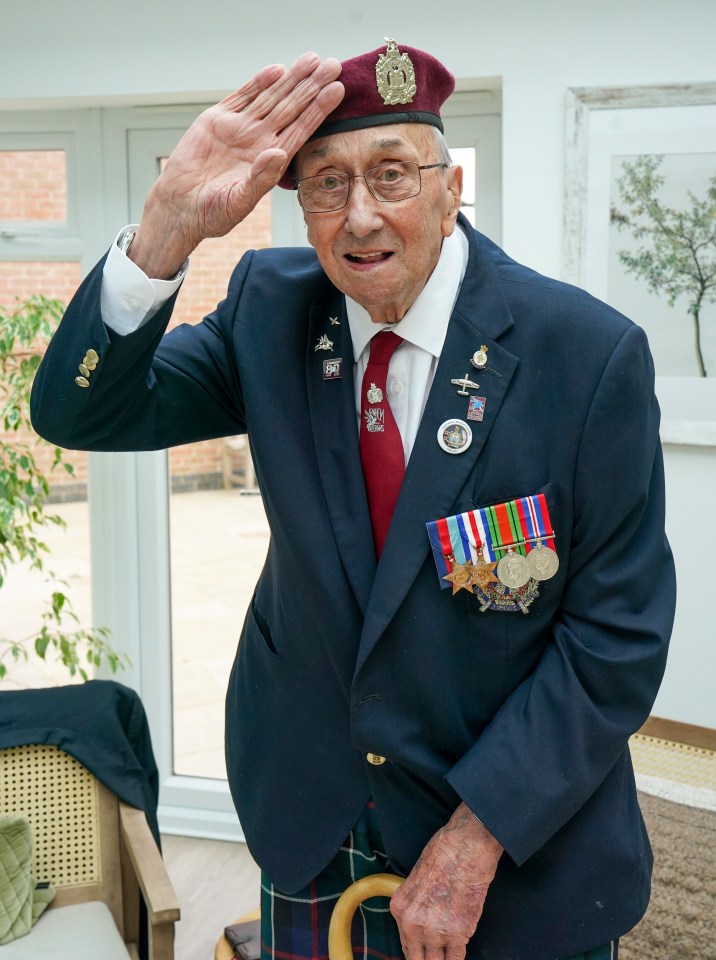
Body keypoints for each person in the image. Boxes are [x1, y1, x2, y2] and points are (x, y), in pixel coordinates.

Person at [30, 39, 675, 960]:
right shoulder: (268, 310)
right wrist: (166, 226)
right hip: (316, 811)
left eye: (392, 173)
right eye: (326, 182)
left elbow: (617, 636)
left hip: (508, 831)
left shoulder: (586, 354)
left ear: (452, 188)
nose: (360, 214)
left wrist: (478, 832)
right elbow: (79, 412)